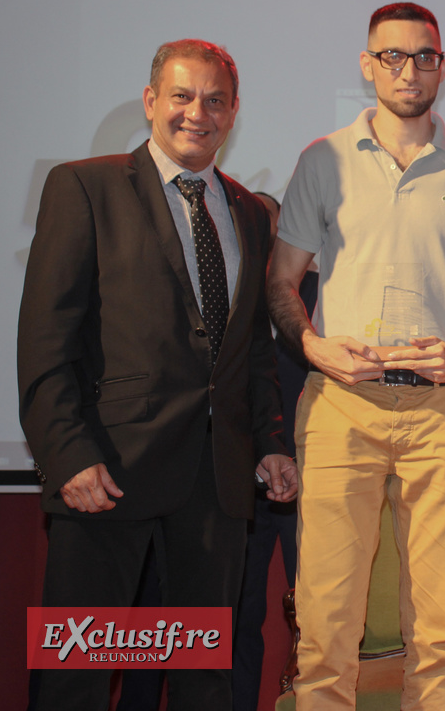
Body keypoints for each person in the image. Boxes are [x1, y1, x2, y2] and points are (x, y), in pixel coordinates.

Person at [18, 38, 298, 710]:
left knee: (203, 672)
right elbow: (46, 339)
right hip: (107, 473)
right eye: (181, 95)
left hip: (217, 484)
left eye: (214, 100)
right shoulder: (82, 187)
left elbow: (250, 348)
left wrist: (270, 441)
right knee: (76, 669)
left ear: (232, 114)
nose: (196, 113)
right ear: (150, 102)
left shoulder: (251, 213)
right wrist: (67, 456)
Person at [267, 1, 445, 710]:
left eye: (424, 56)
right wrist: (315, 348)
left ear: (442, 65)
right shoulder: (322, 161)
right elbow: (281, 284)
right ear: (368, 65)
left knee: (441, 639)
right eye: (393, 57)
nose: (409, 70)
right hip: (342, 408)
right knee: (325, 626)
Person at [232, 192, 318, 711]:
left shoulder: (321, 291)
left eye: (272, 227)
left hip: (309, 476)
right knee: (234, 614)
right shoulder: (225, 294)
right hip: (236, 482)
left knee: (318, 615)